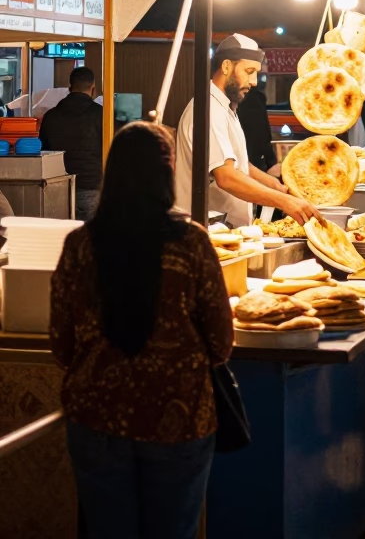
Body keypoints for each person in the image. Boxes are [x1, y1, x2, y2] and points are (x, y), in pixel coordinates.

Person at [49, 122, 233, 539]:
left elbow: (61, 342)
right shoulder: (192, 244)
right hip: (179, 416)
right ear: (165, 176)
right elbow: (221, 343)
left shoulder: (80, 246)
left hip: (97, 417)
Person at [175, 33, 321, 227]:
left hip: (227, 232)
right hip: (205, 233)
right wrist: (286, 202)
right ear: (226, 66)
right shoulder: (208, 109)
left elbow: (240, 165)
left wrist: (277, 187)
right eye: (249, 71)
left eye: (256, 73)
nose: (253, 81)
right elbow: (226, 177)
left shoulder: (225, 107)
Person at [39, 66, 102, 220]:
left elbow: (43, 151)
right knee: (92, 240)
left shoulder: (51, 116)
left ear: (70, 88)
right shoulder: (101, 115)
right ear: (93, 89)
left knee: (61, 239)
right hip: (92, 186)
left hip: (57, 188)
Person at [235, 84, 281, 176]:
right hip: (252, 161)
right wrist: (270, 162)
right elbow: (261, 133)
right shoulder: (253, 98)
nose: (254, 81)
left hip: (247, 162)